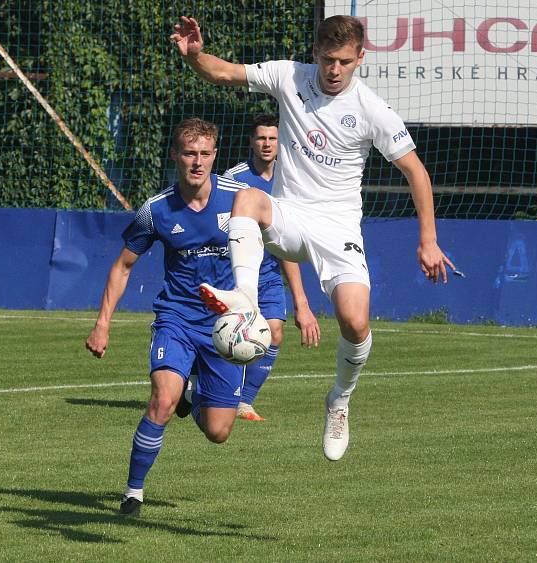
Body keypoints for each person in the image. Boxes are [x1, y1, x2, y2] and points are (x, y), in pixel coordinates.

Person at [170, 15, 457, 461]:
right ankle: (245, 299)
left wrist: (428, 239)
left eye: (344, 61)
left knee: (355, 321)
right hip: (288, 215)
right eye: (327, 60)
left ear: (360, 58)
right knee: (246, 198)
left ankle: (339, 400)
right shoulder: (290, 76)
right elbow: (224, 72)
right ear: (315, 54)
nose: (335, 69)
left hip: (339, 228)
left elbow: (416, 172)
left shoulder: (371, 110)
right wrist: (194, 56)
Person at [85, 118, 256, 517]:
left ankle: (193, 397)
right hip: (175, 319)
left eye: (204, 154)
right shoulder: (156, 210)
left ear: (215, 155)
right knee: (162, 400)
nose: (197, 162)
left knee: (218, 432)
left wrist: (290, 298)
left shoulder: (240, 200)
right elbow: (123, 267)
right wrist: (102, 323)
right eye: (189, 154)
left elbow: (278, 239)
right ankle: (133, 493)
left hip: (223, 326)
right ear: (176, 156)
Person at [223, 114, 320, 421]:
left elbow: (288, 244)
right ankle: (202, 386)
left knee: (274, 333)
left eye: (272, 138)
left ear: (281, 142)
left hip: (269, 275)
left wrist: (301, 302)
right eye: (260, 138)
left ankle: (244, 402)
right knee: (225, 336)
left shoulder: (290, 179)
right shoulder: (234, 179)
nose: (266, 144)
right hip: (235, 273)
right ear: (251, 142)